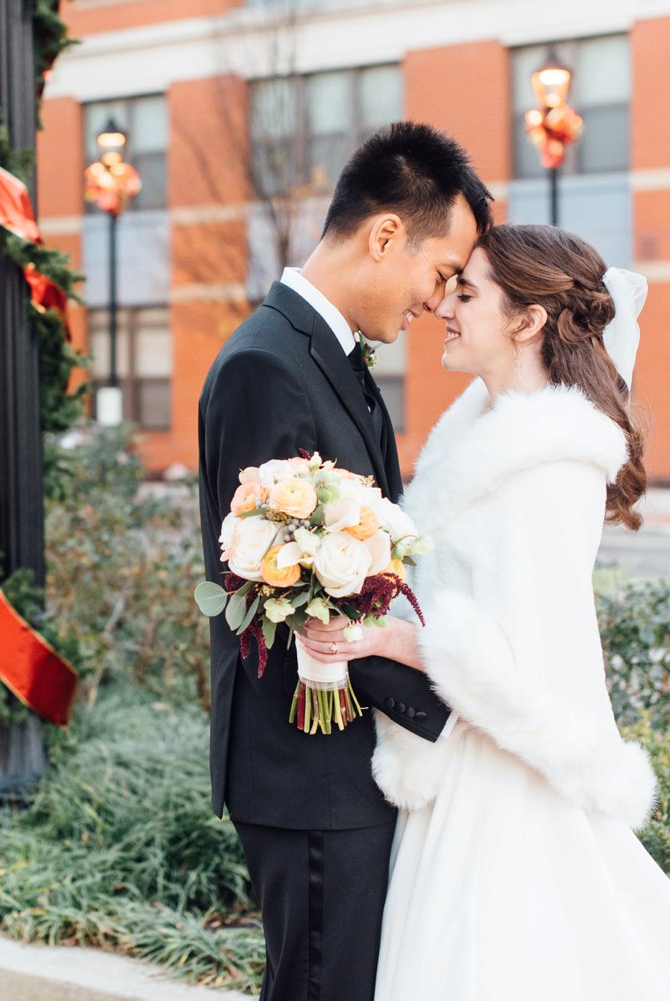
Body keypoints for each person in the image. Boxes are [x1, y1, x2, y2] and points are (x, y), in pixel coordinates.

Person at [313, 223, 670, 999]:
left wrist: (394, 639)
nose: (444, 306)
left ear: (528, 319)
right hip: (454, 763)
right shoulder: (482, 440)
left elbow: (523, 667)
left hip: (501, 783)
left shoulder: (548, 465)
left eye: (467, 294)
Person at [196, 122, 491, 1001]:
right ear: (386, 234)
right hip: (308, 770)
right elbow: (286, 600)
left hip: (338, 768)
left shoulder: (327, 359)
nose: (439, 302)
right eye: (442, 275)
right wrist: (454, 701)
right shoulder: (266, 364)